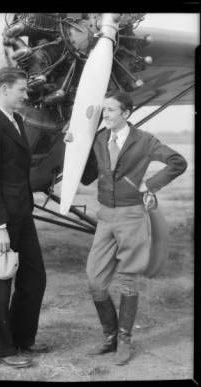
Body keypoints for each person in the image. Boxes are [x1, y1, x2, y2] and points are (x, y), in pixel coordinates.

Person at [64, 90, 187, 365]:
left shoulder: (144, 140)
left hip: (132, 216)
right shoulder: (99, 139)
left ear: (126, 113)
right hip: (105, 216)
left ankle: (124, 339)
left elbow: (178, 162)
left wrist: (150, 185)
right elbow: (88, 177)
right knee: (95, 280)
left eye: (110, 110)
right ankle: (109, 337)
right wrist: (71, 148)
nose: (104, 115)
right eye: (103, 110)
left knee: (128, 279)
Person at [0, 67, 48, 369]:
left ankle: (22, 338)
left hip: (22, 213)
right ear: (5, 89)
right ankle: (3, 349)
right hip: (1, 219)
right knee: (0, 284)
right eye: (20, 89)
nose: (25, 94)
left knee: (35, 277)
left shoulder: (16, 120)